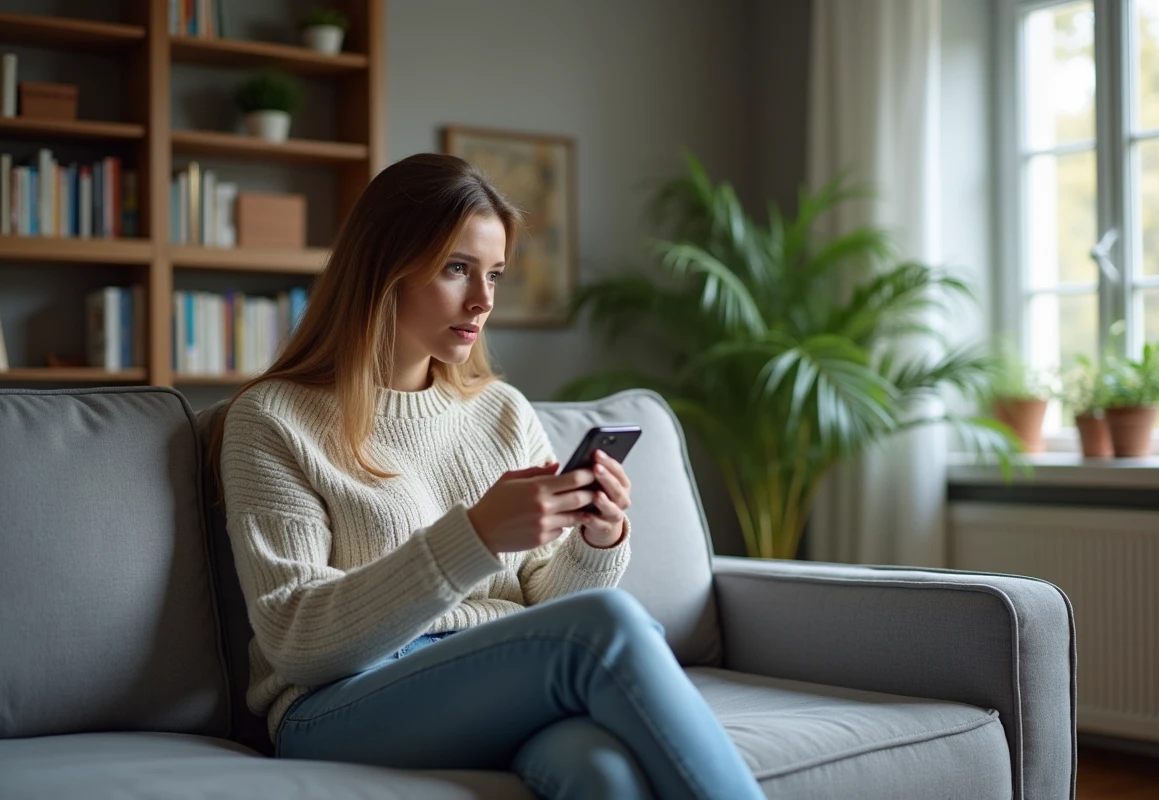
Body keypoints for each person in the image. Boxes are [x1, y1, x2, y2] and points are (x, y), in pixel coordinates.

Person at [211, 153, 767, 800]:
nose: (483, 300)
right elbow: (297, 641)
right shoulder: (273, 419)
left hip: (491, 682)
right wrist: (475, 536)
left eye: (495, 275)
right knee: (609, 626)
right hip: (335, 705)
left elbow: (549, 609)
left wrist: (596, 540)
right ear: (383, 268)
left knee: (602, 774)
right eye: (456, 269)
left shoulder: (500, 410)